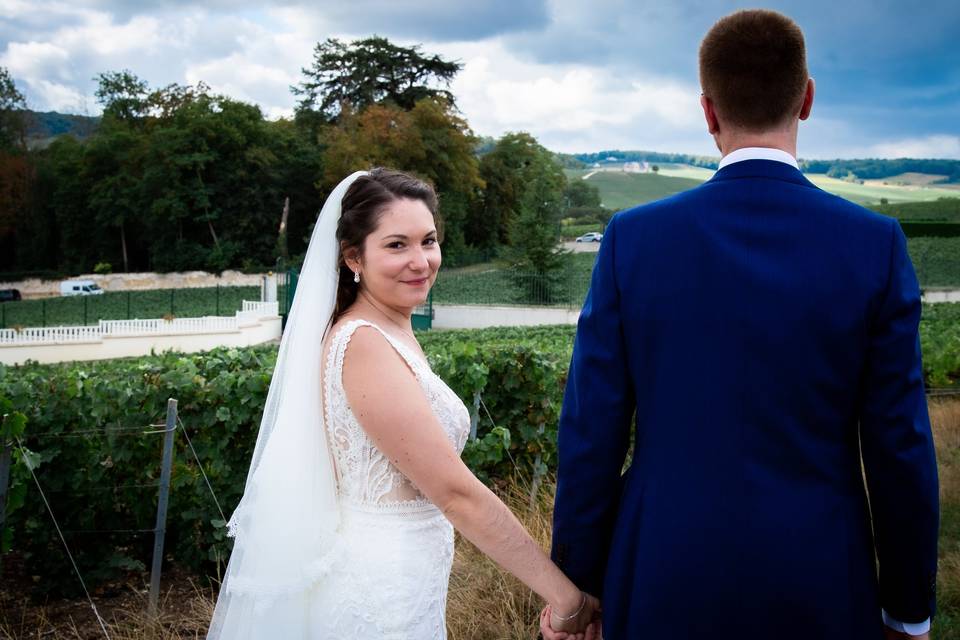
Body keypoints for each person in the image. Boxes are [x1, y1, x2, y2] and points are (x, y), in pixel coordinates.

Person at [543, 9, 939, 639]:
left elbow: (591, 433)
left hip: (661, 570)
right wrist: (909, 609)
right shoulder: (874, 244)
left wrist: (578, 584)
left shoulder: (633, 241)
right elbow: (899, 446)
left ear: (707, 111)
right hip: (821, 573)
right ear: (806, 99)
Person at [207, 168, 600, 639]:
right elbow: (455, 494)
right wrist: (565, 597)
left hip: (407, 577)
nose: (421, 261)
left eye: (428, 241)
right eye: (397, 245)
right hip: (381, 592)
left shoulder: (390, 328)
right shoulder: (365, 343)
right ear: (354, 257)